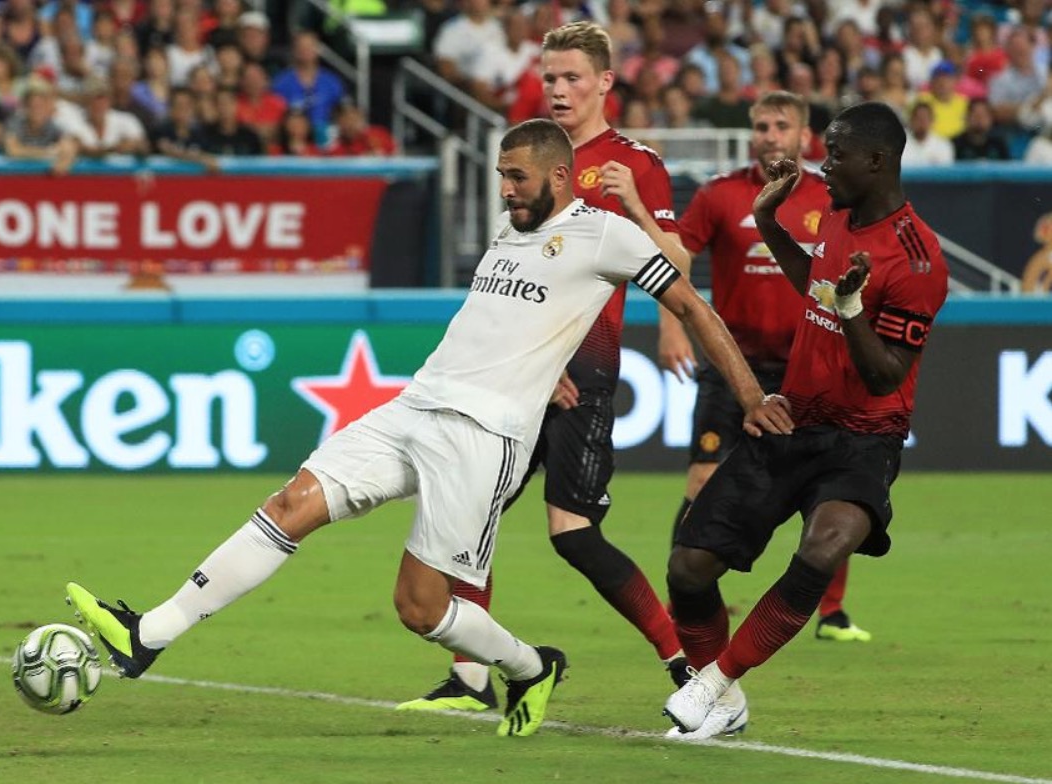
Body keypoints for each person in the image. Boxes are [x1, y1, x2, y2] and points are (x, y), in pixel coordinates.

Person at [66, 117, 794, 740]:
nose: (504, 189)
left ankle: (532, 666)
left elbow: (694, 308)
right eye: (500, 176)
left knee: (419, 608)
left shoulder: (606, 236)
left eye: (516, 177)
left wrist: (752, 395)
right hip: (416, 406)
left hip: (485, 440)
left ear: (561, 177)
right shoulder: (516, 229)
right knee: (292, 503)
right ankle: (148, 635)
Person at [395, 20, 698, 714]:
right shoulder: (530, 153)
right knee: (470, 513)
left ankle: (685, 665)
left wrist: (635, 213)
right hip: (521, 373)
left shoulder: (634, 163)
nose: (558, 89)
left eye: (571, 78)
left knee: (574, 534)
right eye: (550, 77)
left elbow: (677, 265)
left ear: (605, 84)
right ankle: (471, 682)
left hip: (582, 371)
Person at [662, 101, 948, 741]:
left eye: (838, 153)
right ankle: (724, 697)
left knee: (822, 547)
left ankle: (713, 683)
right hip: (794, 418)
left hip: (864, 438)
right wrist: (768, 219)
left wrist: (850, 309)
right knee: (687, 567)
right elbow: (814, 283)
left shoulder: (918, 260)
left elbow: (886, 376)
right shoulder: (840, 220)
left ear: (876, 161)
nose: (826, 163)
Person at [670, 90, 874, 647]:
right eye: (760, 125)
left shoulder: (832, 200)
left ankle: (830, 611)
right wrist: (670, 326)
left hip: (806, 367)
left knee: (827, 488)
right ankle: (686, 597)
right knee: (703, 478)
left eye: (780, 125)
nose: (768, 135)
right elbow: (676, 257)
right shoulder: (720, 194)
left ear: (803, 135)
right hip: (731, 363)